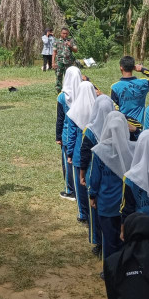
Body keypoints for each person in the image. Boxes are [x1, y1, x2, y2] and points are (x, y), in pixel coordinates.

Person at [88, 111, 137, 262]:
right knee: (126, 236)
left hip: (106, 202)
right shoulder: (133, 148)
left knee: (109, 239)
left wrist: (92, 195)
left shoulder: (100, 151)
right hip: (128, 202)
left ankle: (110, 269)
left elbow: (95, 178)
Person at [67, 81, 98, 226]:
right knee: (91, 181)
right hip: (95, 152)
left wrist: (69, 152)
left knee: (79, 185)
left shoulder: (75, 110)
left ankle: (82, 213)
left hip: (79, 152)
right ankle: (93, 210)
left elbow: (72, 135)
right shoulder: (98, 110)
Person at [56, 66, 83, 201]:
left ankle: (70, 190)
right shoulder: (84, 92)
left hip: (67, 134)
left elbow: (60, 119)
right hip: (83, 134)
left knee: (67, 163)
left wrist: (58, 137)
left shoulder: (62, 97)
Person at [110, 56, 149, 124]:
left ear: (121, 68)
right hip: (139, 126)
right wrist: (142, 69)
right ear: (133, 67)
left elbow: (115, 109)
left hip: (123, 125)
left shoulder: (115, 87)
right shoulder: (143, 84)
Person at [52, 27, 78, 92]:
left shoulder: (71, 41)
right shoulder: (57, 41)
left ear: (68, 33)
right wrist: (53, 62)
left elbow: (76, 50)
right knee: (58, 76)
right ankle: (59, 90)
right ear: (61, 33)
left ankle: (68, 90)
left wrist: (70, 45)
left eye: (66, 33)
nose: (65, 35)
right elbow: (54, 52)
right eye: (63, 33)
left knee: (68, 77)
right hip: (59, 62)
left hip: (68, 62)